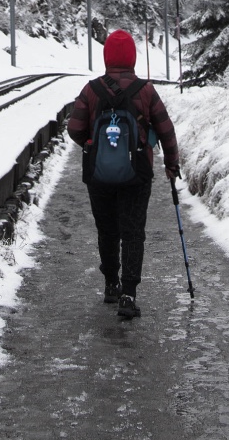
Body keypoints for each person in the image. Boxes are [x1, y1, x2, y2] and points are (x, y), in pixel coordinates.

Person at [65, 28, 179, 319]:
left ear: (106, 56)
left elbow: (74, 129)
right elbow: (166, 129)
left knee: (107, 230)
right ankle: (129, 294)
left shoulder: (91, 90)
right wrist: (171, 164)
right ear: (132, 57)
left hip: (98, 175)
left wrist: (94, 146)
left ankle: (110, 284)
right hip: (137, 174)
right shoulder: (145, 90)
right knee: (132, 232)